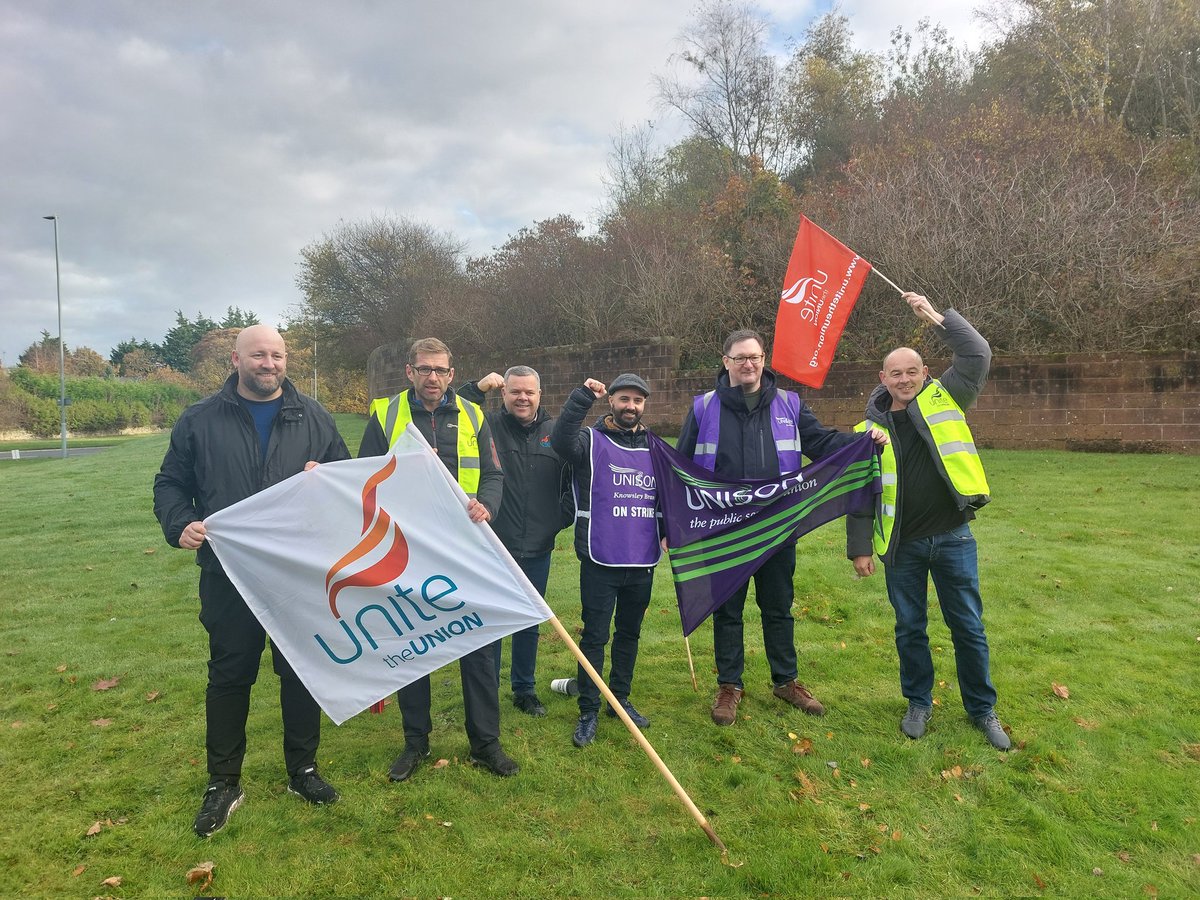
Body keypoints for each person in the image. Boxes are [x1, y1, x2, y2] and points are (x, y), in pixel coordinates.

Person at [153, 324, 349, 838]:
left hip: (297, 572)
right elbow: (171, 482)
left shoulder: (314, 417)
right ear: (236, 360)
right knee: (230, 674)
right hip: (228, 572)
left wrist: (323, 481)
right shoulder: (199, 420)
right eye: (258, 355)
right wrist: (180, 524)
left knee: (300, 670)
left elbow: (348, 481)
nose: (270, 364)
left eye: (278, 355)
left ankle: (302, 771)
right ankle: (224, 781)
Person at [677, 329, 887, 727]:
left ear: (763, 359)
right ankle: (729, 685)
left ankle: (786, 680)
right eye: (739, 358)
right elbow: (681, 467)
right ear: (726, 362)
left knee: (778, 607)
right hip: (725, 529)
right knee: (727, 610)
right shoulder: (704, 407)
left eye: (754, 357)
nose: (747, 364)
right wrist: (671, 523)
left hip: (777, 528)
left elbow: (823, 443)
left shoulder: (789, 404)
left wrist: (865, 441)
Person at [846, 293, 1011, 750]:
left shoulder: (949, 396)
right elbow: (859, 495)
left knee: (969, 628)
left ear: (925, 374)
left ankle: (982, 709)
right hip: (903, 548)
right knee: (909, 628)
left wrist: (937, 318)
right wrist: (860, 546)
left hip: (954, 538)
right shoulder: (868, 431)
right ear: (883, 378)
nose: (904, 379)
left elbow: (977, 353)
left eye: (912, 371)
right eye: (895, 373)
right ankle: (918, 701)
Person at [358, 337, 520, 780]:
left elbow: (494, 474)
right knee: (414, 645)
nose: (434, 378)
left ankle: (486, 743)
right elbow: (364, 479)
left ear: (452, 374)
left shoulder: (473, 414)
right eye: (425, 369)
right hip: (408, 550)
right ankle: (415, 743)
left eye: (442, 370)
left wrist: (487, 505)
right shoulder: (385, 414)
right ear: (409, 371)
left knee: (479, 645)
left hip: (465, 546)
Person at [551, 374, 659, 748]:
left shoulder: (655, 447)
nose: (631, 406)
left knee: (629, 634)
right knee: (595, 637)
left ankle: (620, 699)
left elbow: (670, 496)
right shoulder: (588, 441)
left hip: (641, 559)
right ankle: (589, 709)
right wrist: (582, 397)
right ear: (611, 400)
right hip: (600, 559)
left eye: (638, 401)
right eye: (624, 399)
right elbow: (561, 440)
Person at [458, 366, 569, 718]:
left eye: (529, 392)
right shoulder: (486, 425)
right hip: (493, 542)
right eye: (515, 391)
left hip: (538, 544)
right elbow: (454, 412)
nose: (523, 398)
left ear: (540, 395)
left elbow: (572, 482)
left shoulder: (555, 433)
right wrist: (476, 387)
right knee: (491, 620)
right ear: (504, 395)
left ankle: (524, 689)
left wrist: (557, 520)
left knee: (528, 620)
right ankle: (487, 689)